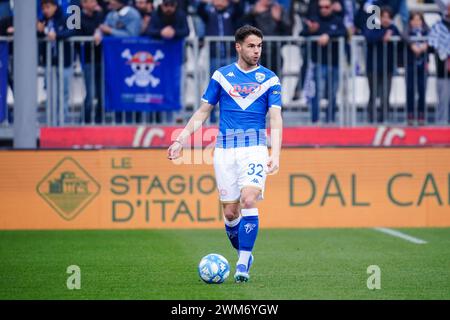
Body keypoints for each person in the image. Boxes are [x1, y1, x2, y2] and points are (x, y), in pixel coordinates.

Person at [167, 25, 283, 283]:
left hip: (254, 148)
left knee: (249, 200)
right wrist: (181, 139)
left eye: (260, 46)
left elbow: (275, 117)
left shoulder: (270, 79)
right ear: (238, 47)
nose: (257, 51)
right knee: (231, 214)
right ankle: (245, 253)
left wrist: (275, 152)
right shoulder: (222, 76)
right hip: (224, 152)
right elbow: (203, 111)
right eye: (252, 46)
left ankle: (242, 265)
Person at [364, 6, 400, 123]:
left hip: (387, 68)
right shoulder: (373, 26)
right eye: (383, 17)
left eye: (388, 17)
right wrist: (384, 35)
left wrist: (389, 34)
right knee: (373, 95)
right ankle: (371, 120)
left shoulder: (393, 28)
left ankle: (383, 120)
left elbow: (401, 36)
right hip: (373, 68)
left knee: (385, 95)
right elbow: (369, 37)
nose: (386, 19)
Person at [404, 12, 429, 126]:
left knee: (422, 90)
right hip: (410, 65)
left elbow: (432, 35)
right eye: (414, 20)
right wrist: (412, 45)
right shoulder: (408, 31)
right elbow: (403, 35)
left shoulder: (426, 31)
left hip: (422, 65)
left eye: (419, 20)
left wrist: (426, 44)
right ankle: (410, 115)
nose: (416, 22)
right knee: (410, 90)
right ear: (410, 21)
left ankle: (421, 115)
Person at [428, 1, 450, 124]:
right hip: (442, 72)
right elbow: (433, 45)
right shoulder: (438, 26)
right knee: (443, 101)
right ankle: (442, 127)